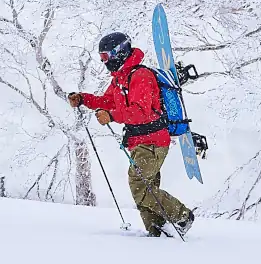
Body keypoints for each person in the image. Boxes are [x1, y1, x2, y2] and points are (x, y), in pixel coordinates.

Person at [68, 31, 195, 238]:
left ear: (119, 53)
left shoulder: (141, 76)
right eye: (101, 58)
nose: (104, 62)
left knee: (139, 186)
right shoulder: (120, 79)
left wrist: (111, 116)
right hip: (139, 142)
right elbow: (108, 101)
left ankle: (182, 216)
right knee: (145, 187)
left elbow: (142, 111)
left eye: (106, 57)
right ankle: (158, 230)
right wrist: (84, 99)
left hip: (153, 142)